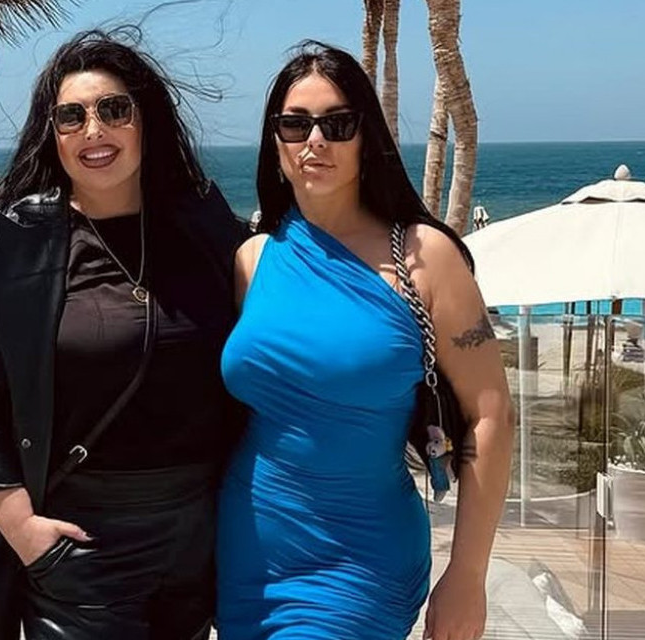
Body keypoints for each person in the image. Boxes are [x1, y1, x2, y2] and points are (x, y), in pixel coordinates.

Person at [0, 30, 248, 640]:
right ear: (53, 132)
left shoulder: (202, 222)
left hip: (199, 537)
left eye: (114, 110)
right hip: (80, 543)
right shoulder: (8, 240)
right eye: (72, 116)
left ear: (146, 120)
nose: (94, 130)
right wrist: (22, 529)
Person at [217, 42, 514, 640]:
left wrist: (468, 573)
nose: (315, 140)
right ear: (275, 142)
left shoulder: (426, 257)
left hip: (362, 559)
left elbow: (493, 414)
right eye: (295, 124)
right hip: (248, 549)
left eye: (337, 124)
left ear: (365, 138)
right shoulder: (253, 260)